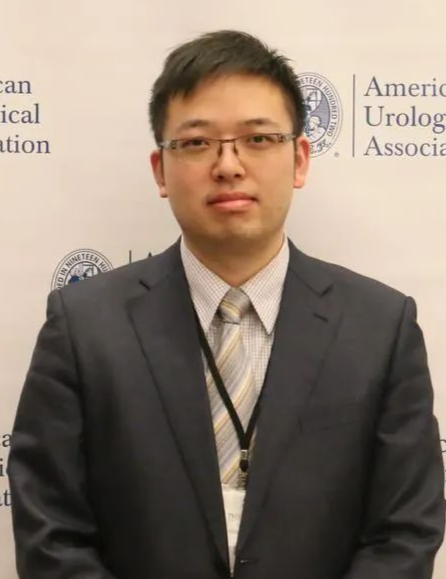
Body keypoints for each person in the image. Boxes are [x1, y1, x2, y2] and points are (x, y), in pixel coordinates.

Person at [8, 30, 444, 579]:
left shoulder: (380, 327)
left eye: (258, 139)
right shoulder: (84, 326)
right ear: (160, 171)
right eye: (197, 143)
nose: (229, 165)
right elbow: (50, 531)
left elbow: (405, 532)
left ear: (300, 159)